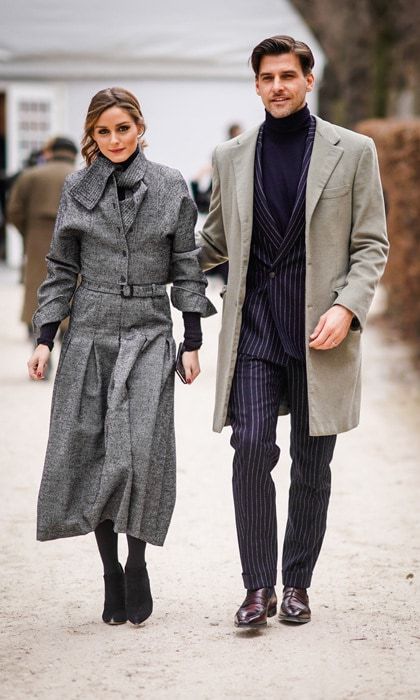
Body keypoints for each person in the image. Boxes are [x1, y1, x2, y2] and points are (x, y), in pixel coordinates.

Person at [197, 35, 388, 628]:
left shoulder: (354, 151)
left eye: (288, 75)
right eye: (266, 77)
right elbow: (213, 242)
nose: (277, 85)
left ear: (308, 81)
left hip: (318, 333)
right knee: (250, 450)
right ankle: (259, 588)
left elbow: (371, 246)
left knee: (311, 465)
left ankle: (297, 583)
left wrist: (348, 308)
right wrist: (147, 252)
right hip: (253, 328)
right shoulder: (231, 157)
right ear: (255, 86)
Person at [27, 87, 216, 626]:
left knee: (141, 455)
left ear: (140, 128)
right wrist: (45, 337)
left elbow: (186, 262)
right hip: (88, 333)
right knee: (95, 457)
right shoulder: (76, 188)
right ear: (92, 134)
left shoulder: (170, 184)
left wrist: (194, 339)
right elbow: (61, 267)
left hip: (150, 334)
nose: (113, 140)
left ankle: (137, 561)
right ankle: (110, 570)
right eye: (103, 131)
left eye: (122, 129)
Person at [7, 138, 78, 340]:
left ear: (50, 152)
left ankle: (38, 334)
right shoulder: (81, 176)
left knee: (37, 283)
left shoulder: (30, 176)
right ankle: (65, 331)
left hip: (38, 237)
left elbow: (14, 211)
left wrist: (28, 232)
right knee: (71, 283)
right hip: (74, 238)